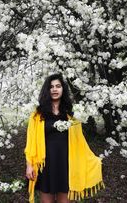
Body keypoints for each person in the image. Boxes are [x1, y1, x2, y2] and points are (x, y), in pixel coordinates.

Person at [24, 73, 105, 203]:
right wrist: (29, 165)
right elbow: (30, 142)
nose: (55, 89)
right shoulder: (37, 115)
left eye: (58, 86)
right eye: (51, 87)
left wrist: (94, 160)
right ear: (47, 90)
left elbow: (80, 142)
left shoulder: (71, 115)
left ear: (63, 89)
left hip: (66, 163)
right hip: (45, 164)